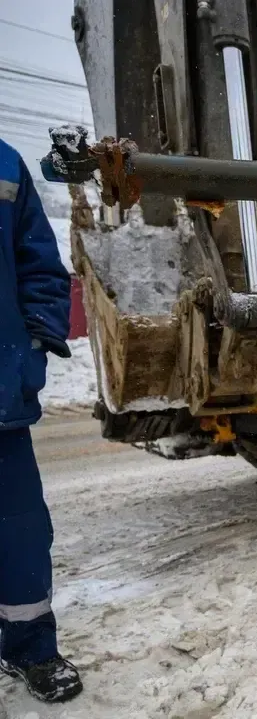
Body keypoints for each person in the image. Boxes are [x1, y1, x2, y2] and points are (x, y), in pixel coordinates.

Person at [0, 137, 81, 703]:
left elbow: (41, 267)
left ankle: (31, 649)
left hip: (0, 396)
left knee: (21, 534)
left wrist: (32, 345)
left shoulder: (5, 165)